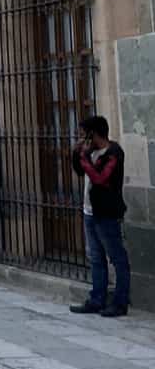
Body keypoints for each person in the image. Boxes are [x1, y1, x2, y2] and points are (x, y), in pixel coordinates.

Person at [70, 116, 129, 317]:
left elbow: (101, 179)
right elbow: (79, 171)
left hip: (107, 214)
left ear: (93, 133)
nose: (82, 138)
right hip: (90, 211)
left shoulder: (114, 153)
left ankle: (120, 303)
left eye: (84, 134)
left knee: (117, 258)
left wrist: (85, 159)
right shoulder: (91, 152)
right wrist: (77, 153)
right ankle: (97, 299)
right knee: (95, 258)